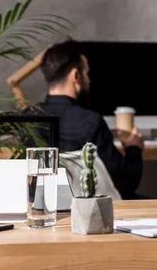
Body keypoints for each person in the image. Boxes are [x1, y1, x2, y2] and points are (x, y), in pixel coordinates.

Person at [24, 39, 145, 200]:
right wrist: (133, 149)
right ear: (75, 75)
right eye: (87, 73)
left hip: (45, 206)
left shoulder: (27, 118)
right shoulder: (90, 121)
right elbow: (124, 185)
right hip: (93, 209)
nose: (89, 79)